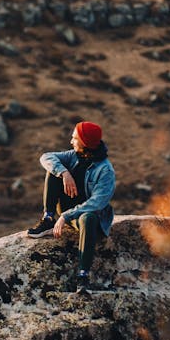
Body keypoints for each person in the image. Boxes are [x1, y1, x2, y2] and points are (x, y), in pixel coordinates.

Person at [27, 121, 116, 294]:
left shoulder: (105, 170)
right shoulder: (73, 155)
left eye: (75, 138)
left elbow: (97, 202)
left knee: (87, 217)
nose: (71, 141)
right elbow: (46, 157)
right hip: (66, 210)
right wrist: (64, 173)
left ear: (85, 142)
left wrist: (67, 216)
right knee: (54, 170)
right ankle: (47, 219)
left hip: (87, 217)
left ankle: (83, 276)